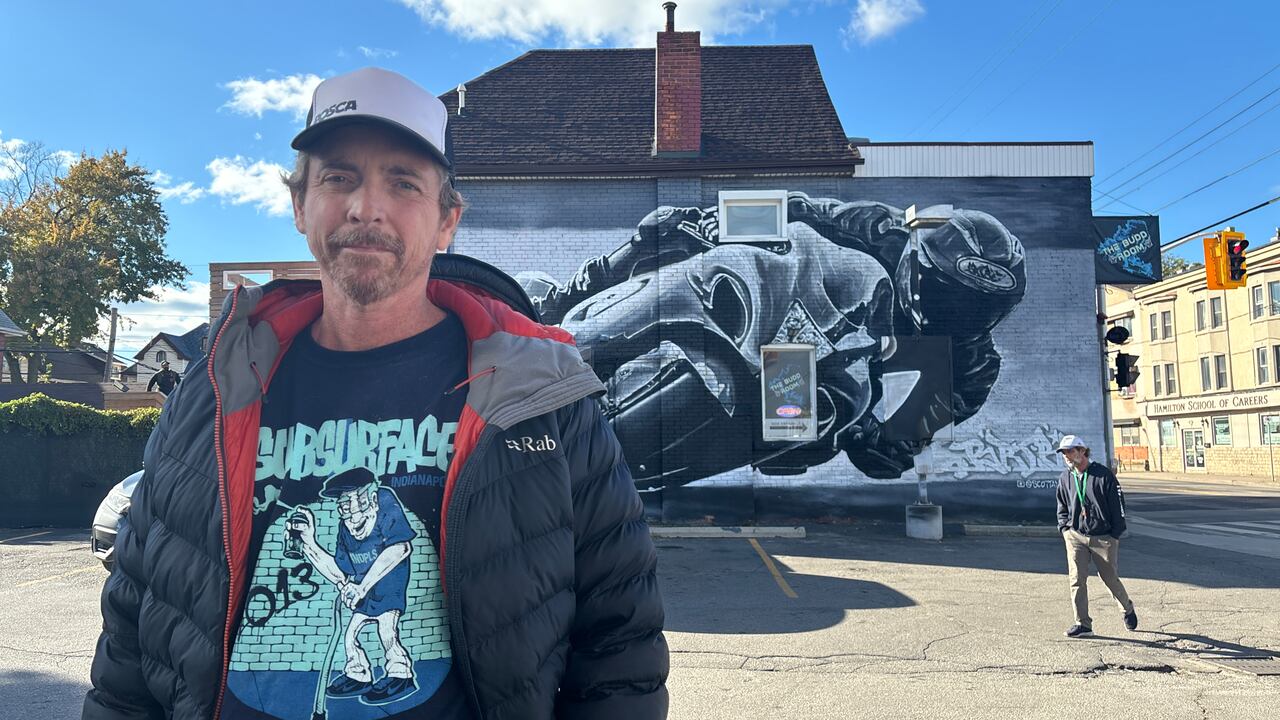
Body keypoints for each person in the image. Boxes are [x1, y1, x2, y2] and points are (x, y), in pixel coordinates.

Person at [84, 66, 668, 720]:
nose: (367, 207)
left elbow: (620, 645)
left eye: (403, 181)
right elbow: (131, 636)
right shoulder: (213, 388)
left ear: (446, 220)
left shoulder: (540, 394)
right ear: (300, 205)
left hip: (387, 603)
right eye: (339, 178)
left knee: (376, 630)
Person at [1054, 434, 1138, 638]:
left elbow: (1118, 506)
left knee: (1109, 578)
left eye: (1070, 451)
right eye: (1064, 453)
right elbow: (1062, 505)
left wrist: (1115, 533)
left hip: (1103, 537)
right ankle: (1083, 624)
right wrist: (1065, 528)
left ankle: (1127, 608)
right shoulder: (1066, 477)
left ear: (1082, 451)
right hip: (1075, 535)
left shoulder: (1103, 475)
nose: (1066, 456)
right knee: (1076, 579)